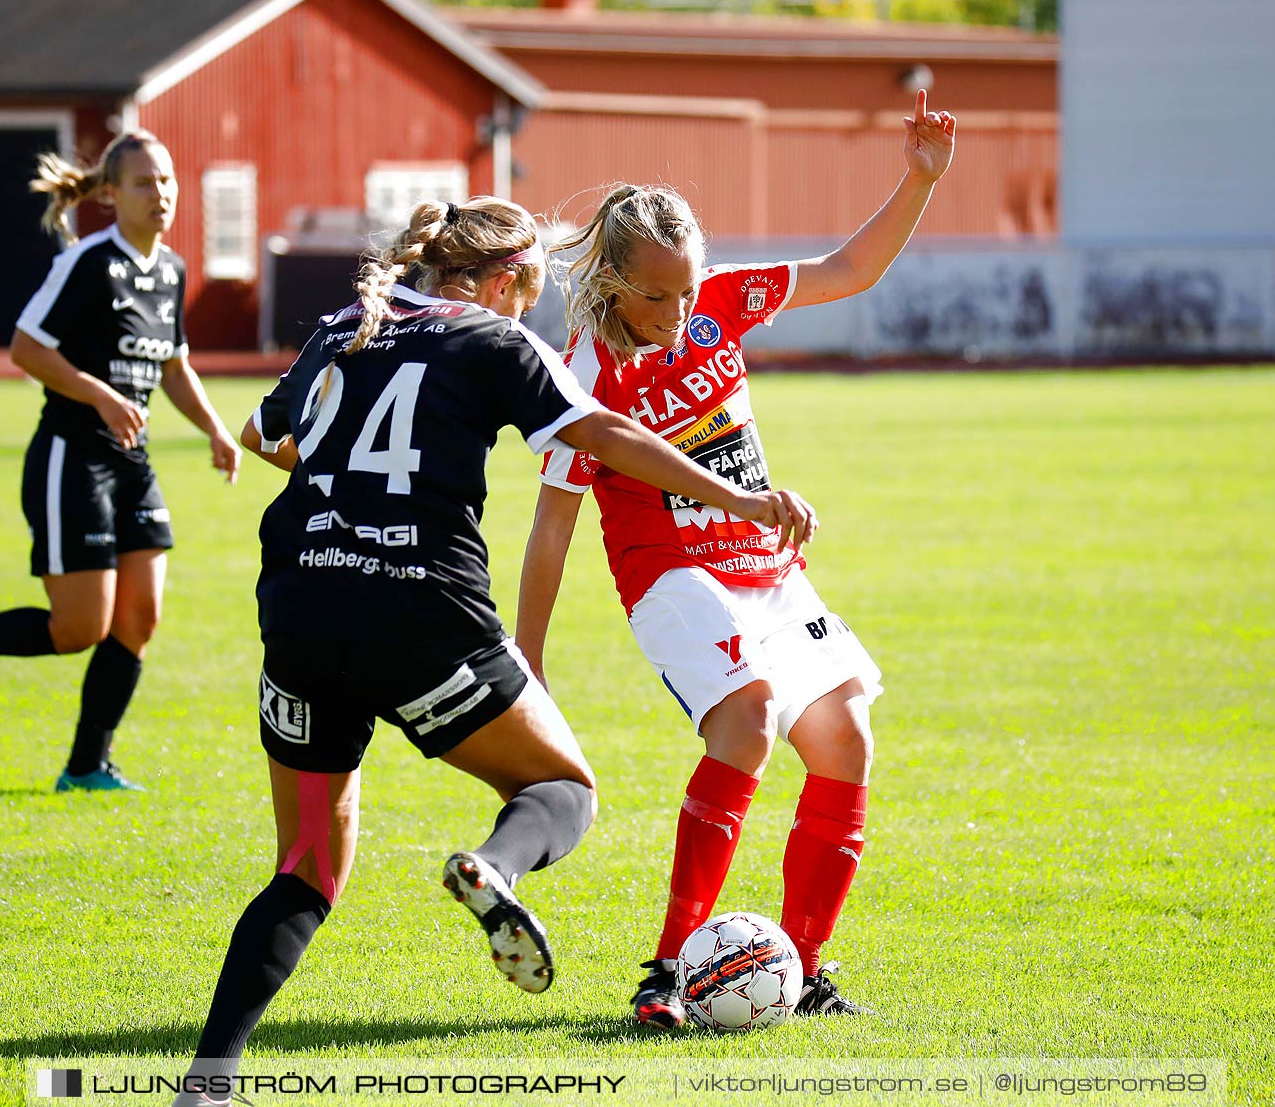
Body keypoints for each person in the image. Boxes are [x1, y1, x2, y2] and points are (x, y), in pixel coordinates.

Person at [174, 196, 815, 1101]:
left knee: (307, 867)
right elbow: (606, 434)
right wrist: (743, 499)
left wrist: (348, 484)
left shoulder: (342, 326)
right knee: (563, 791)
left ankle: (211, 1075)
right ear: (509, 279)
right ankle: (495, 868)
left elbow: (262, 435)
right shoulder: (494, 337)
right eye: (534, 289)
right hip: (420, 609)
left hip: (300, 602)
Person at [516, 92, 956, 1028]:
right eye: (657, 293)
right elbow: (552, 521)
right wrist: (531, 658)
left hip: (768, 565)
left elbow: (851, 268)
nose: (679, 309)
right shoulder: (588, 371)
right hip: (671, 574)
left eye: (689, 288)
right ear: (611, 280)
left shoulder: (721, 302)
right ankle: (669, 973)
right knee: (751, 718)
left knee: (845, 737)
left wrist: (918, 179)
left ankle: (803, 974)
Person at [0, 130, 241, 792]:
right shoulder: (87, 264)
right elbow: (25, 348)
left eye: (166, 180)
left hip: (133, 461)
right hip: (71, 459)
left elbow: (173, 366)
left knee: (140, 619)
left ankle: (86, 767)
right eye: (142, 183)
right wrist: (101, 395)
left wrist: (216, 433)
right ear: (109, 195)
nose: (160, 194)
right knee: (80, 628)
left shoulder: (170, 270)